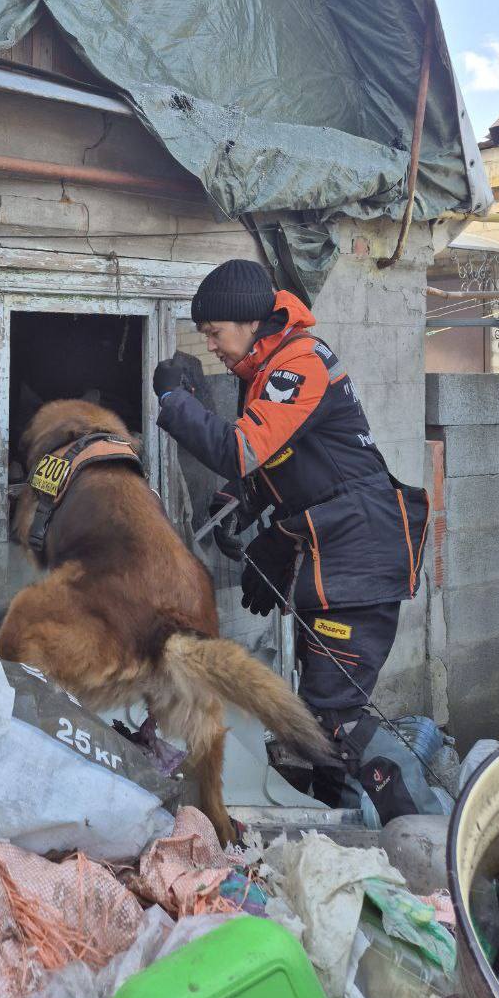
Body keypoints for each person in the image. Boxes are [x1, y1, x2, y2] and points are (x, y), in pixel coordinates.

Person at [152, 258, 429, 808]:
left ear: (250, 321)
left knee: (334, 719)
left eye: (214, 332)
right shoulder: (265, 369)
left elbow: (240, 450)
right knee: (318, 710)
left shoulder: (298, 365)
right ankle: (335, 815)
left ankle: (410, 821)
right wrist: (240, 499)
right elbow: (289, 459)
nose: (210, 345)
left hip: (360, 555)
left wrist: (174, 401)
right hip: (334, 550)